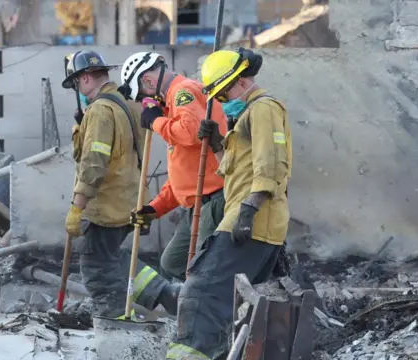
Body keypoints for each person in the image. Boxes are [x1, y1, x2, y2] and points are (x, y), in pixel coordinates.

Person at [165, 47, 293, 359]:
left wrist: (249, 210)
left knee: (201, 293)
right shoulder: (247, 115)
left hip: (251, 218)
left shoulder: (264, 109)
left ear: (238, 83)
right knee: (225, 300)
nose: (221, 102)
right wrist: (219, 144)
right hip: (244, 215)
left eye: (222, 95)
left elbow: (271, 166)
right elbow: (234, 172)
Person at [61, 50, 180, 318]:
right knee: (112, 256)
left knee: (97, 266)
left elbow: (94, 163)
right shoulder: (128, 102)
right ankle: (164, 292)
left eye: (77, 83)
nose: (78, 89)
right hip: (132, 200)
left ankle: (113, 319)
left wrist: (77, 207)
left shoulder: (101, 111)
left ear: (87, 78)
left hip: (107, 205)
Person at [118, 51, 228, 281]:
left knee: (207, 272)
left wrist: (155, 120)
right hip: (197, 202)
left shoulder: (183, 92)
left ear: (148, 81)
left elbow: (192, 133)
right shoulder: (172, 105)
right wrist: (154, 208)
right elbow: (184, 173)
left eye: (143, 96)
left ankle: (220, 311)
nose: (146, 103)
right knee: (173, 262)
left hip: (213, 198)